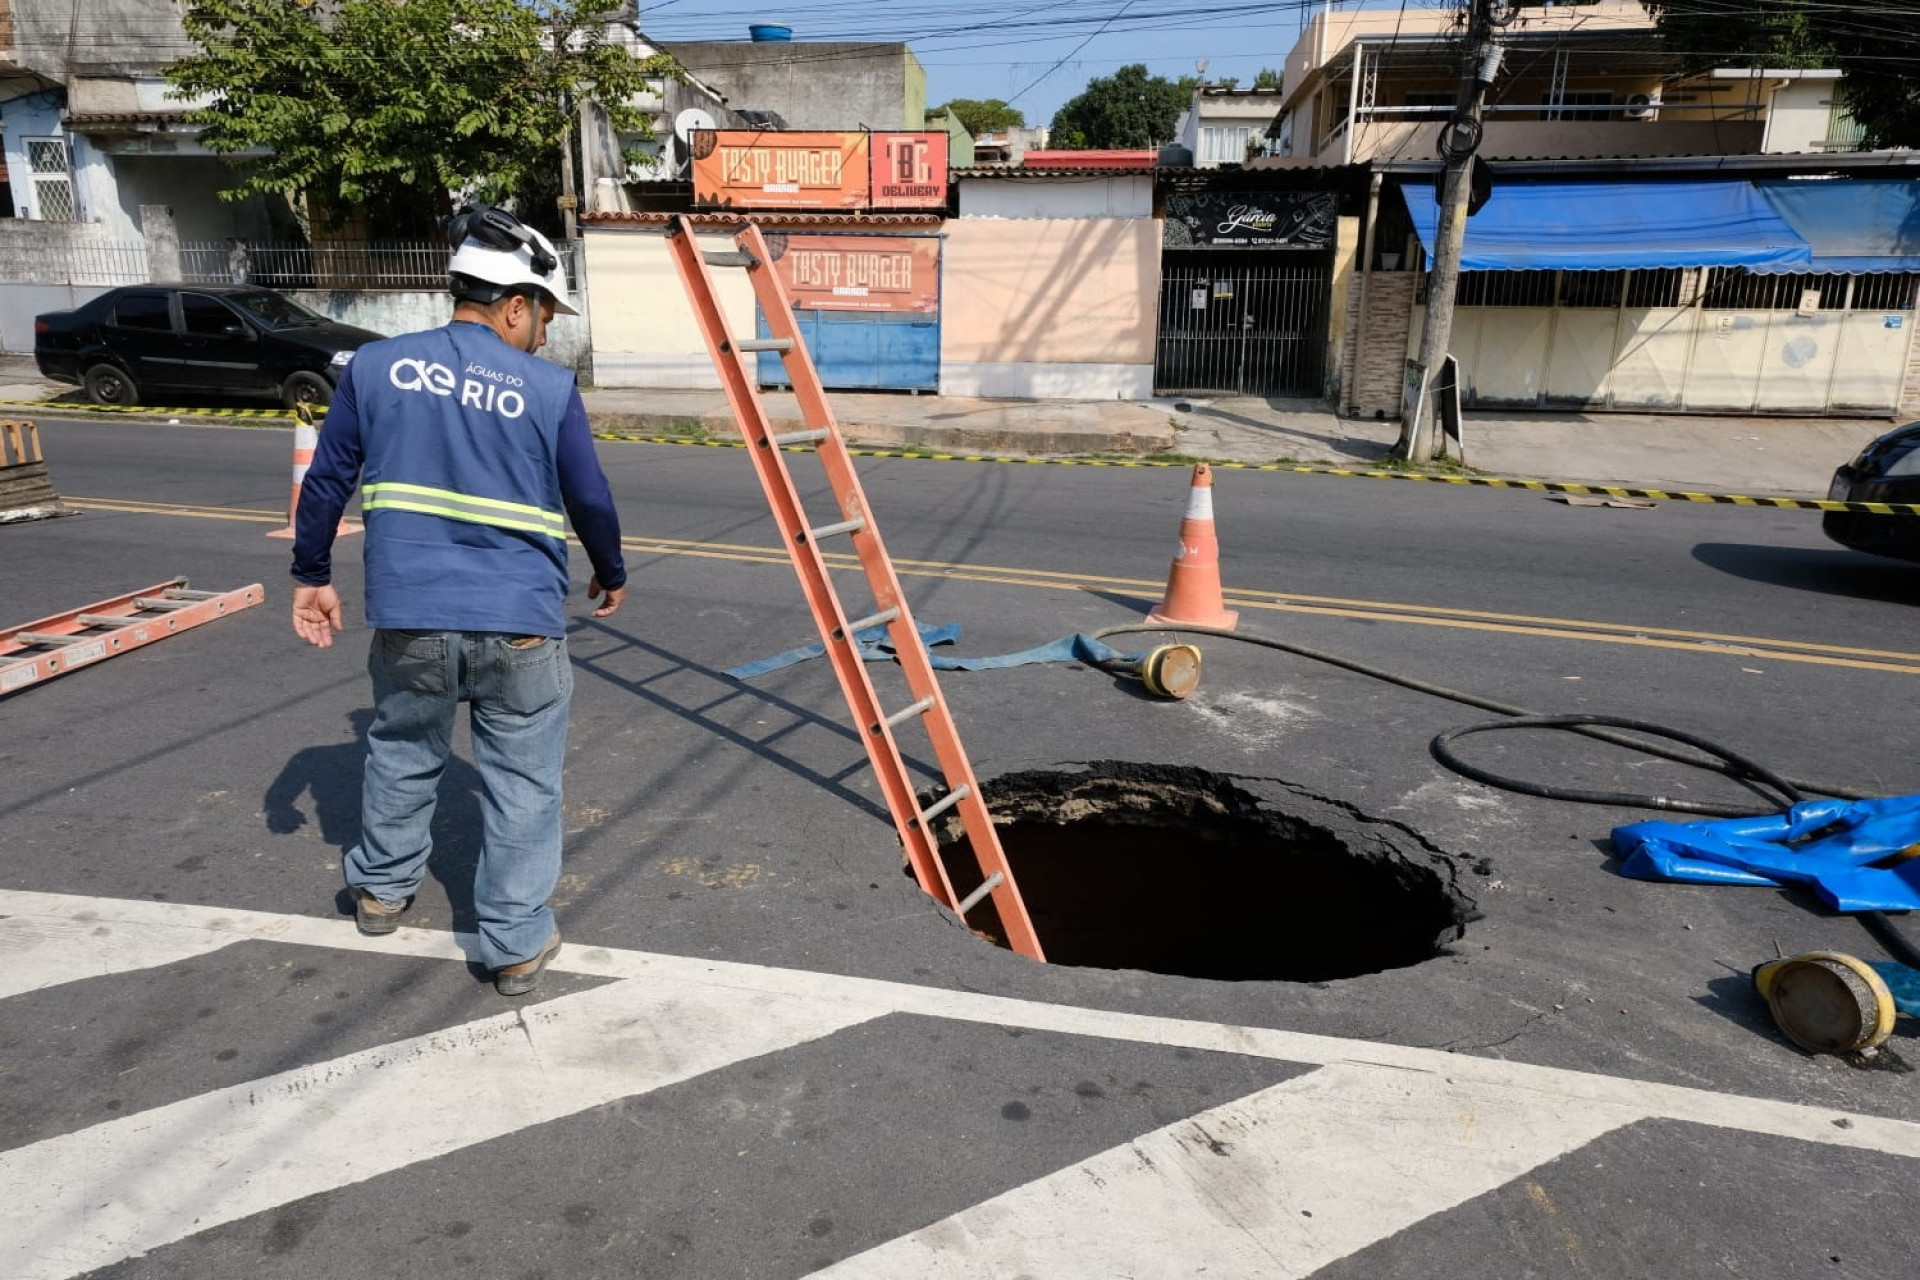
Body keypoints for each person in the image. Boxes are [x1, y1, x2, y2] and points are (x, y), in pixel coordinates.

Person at [289, 204, 627, 997]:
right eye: (544, 316)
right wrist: (611, 568)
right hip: (522, 627)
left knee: (403, 754)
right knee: (523, 786)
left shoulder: (374, 369)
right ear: (516, 304)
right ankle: (512, 945)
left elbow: (328, 479)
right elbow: (591, 494)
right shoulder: (546, 388)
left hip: (411, 618)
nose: (546, 335)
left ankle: (379, 893)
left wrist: (312, 575)